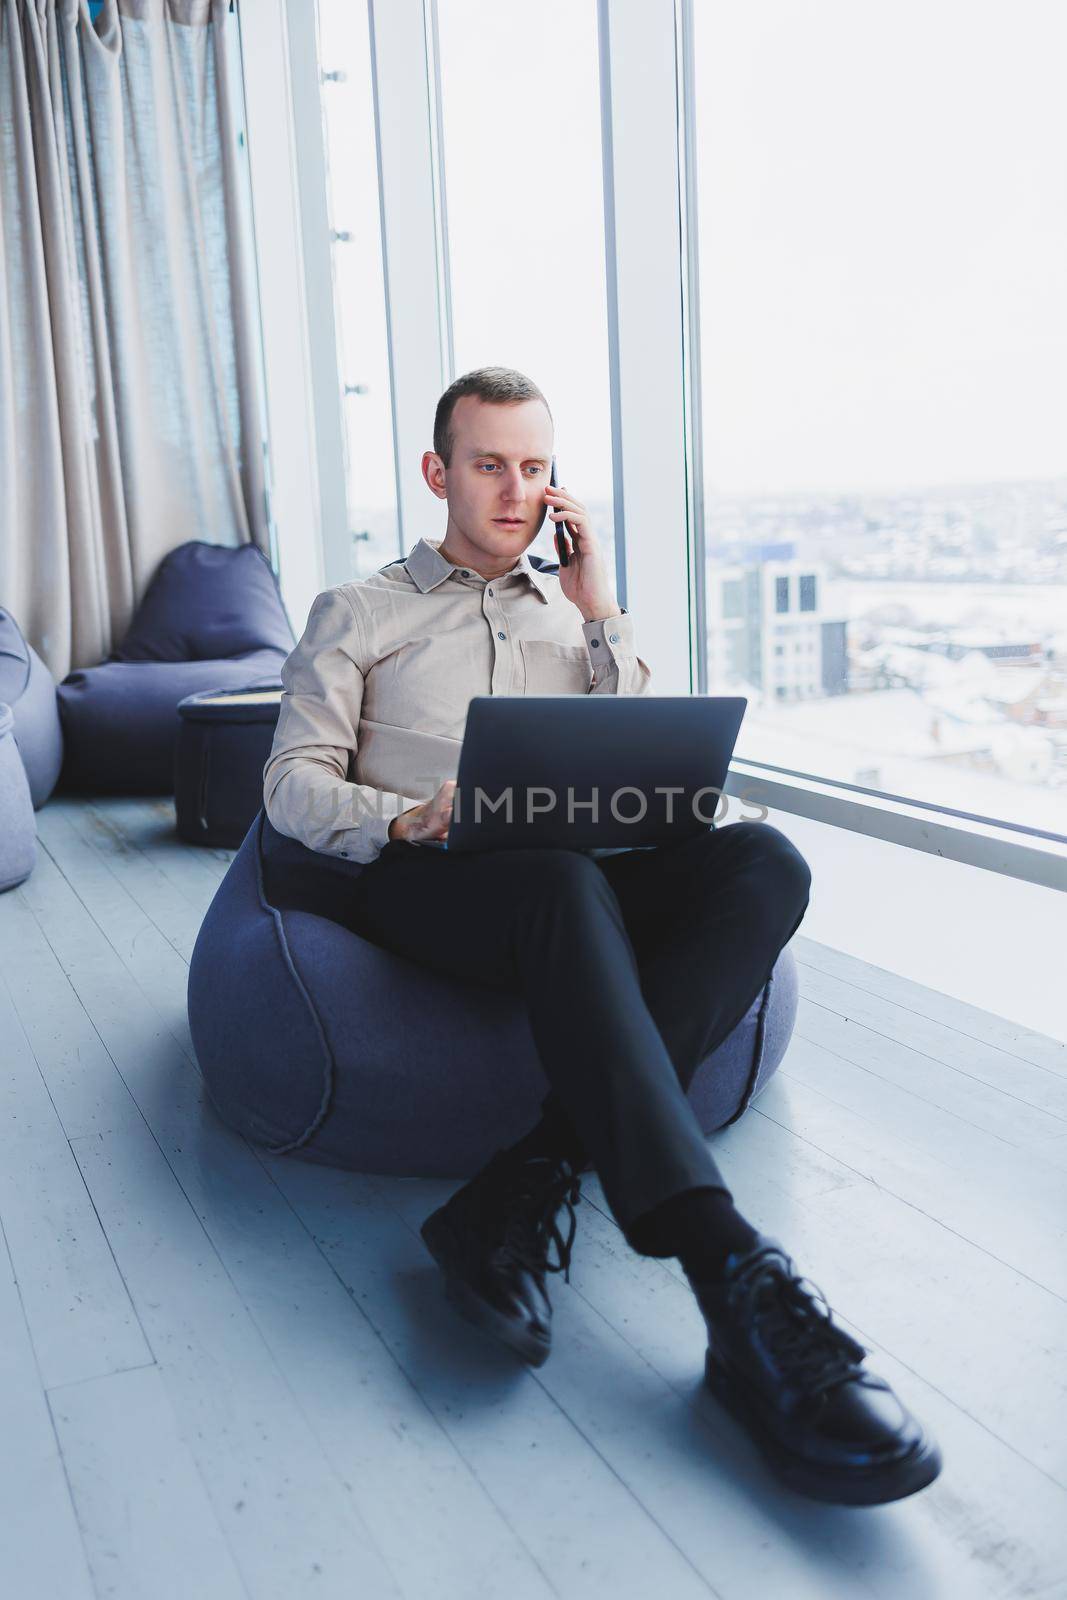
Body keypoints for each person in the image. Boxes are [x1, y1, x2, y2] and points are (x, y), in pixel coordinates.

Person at [262, 366, 941, 1506]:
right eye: (489, 465)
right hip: (430, 879)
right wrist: (407, 815)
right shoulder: (360, 610)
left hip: (572, 879)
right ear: (437, 472)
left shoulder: (568, 615)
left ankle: (524, 1178)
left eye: (534, 467)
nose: (516, 490)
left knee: (763, 860)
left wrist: (600, 606)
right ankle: (727, 1266)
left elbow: (635, 763)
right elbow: (288, 784)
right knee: (553, 879)